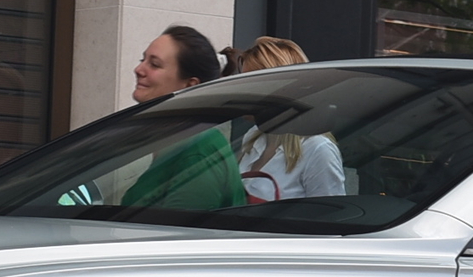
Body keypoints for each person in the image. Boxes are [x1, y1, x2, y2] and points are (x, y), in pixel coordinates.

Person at [120, 24, 243, 209]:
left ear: (190, 85)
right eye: (142, 59)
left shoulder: (199, 152)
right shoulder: (174, 142)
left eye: (154, 64)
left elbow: (176, 234)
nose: (138, 69)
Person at [223, 36, 347, 201]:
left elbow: (330, 218)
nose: (241, 91)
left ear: (281, 89)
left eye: (251, 83)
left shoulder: (317, 149)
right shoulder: (253, 137)